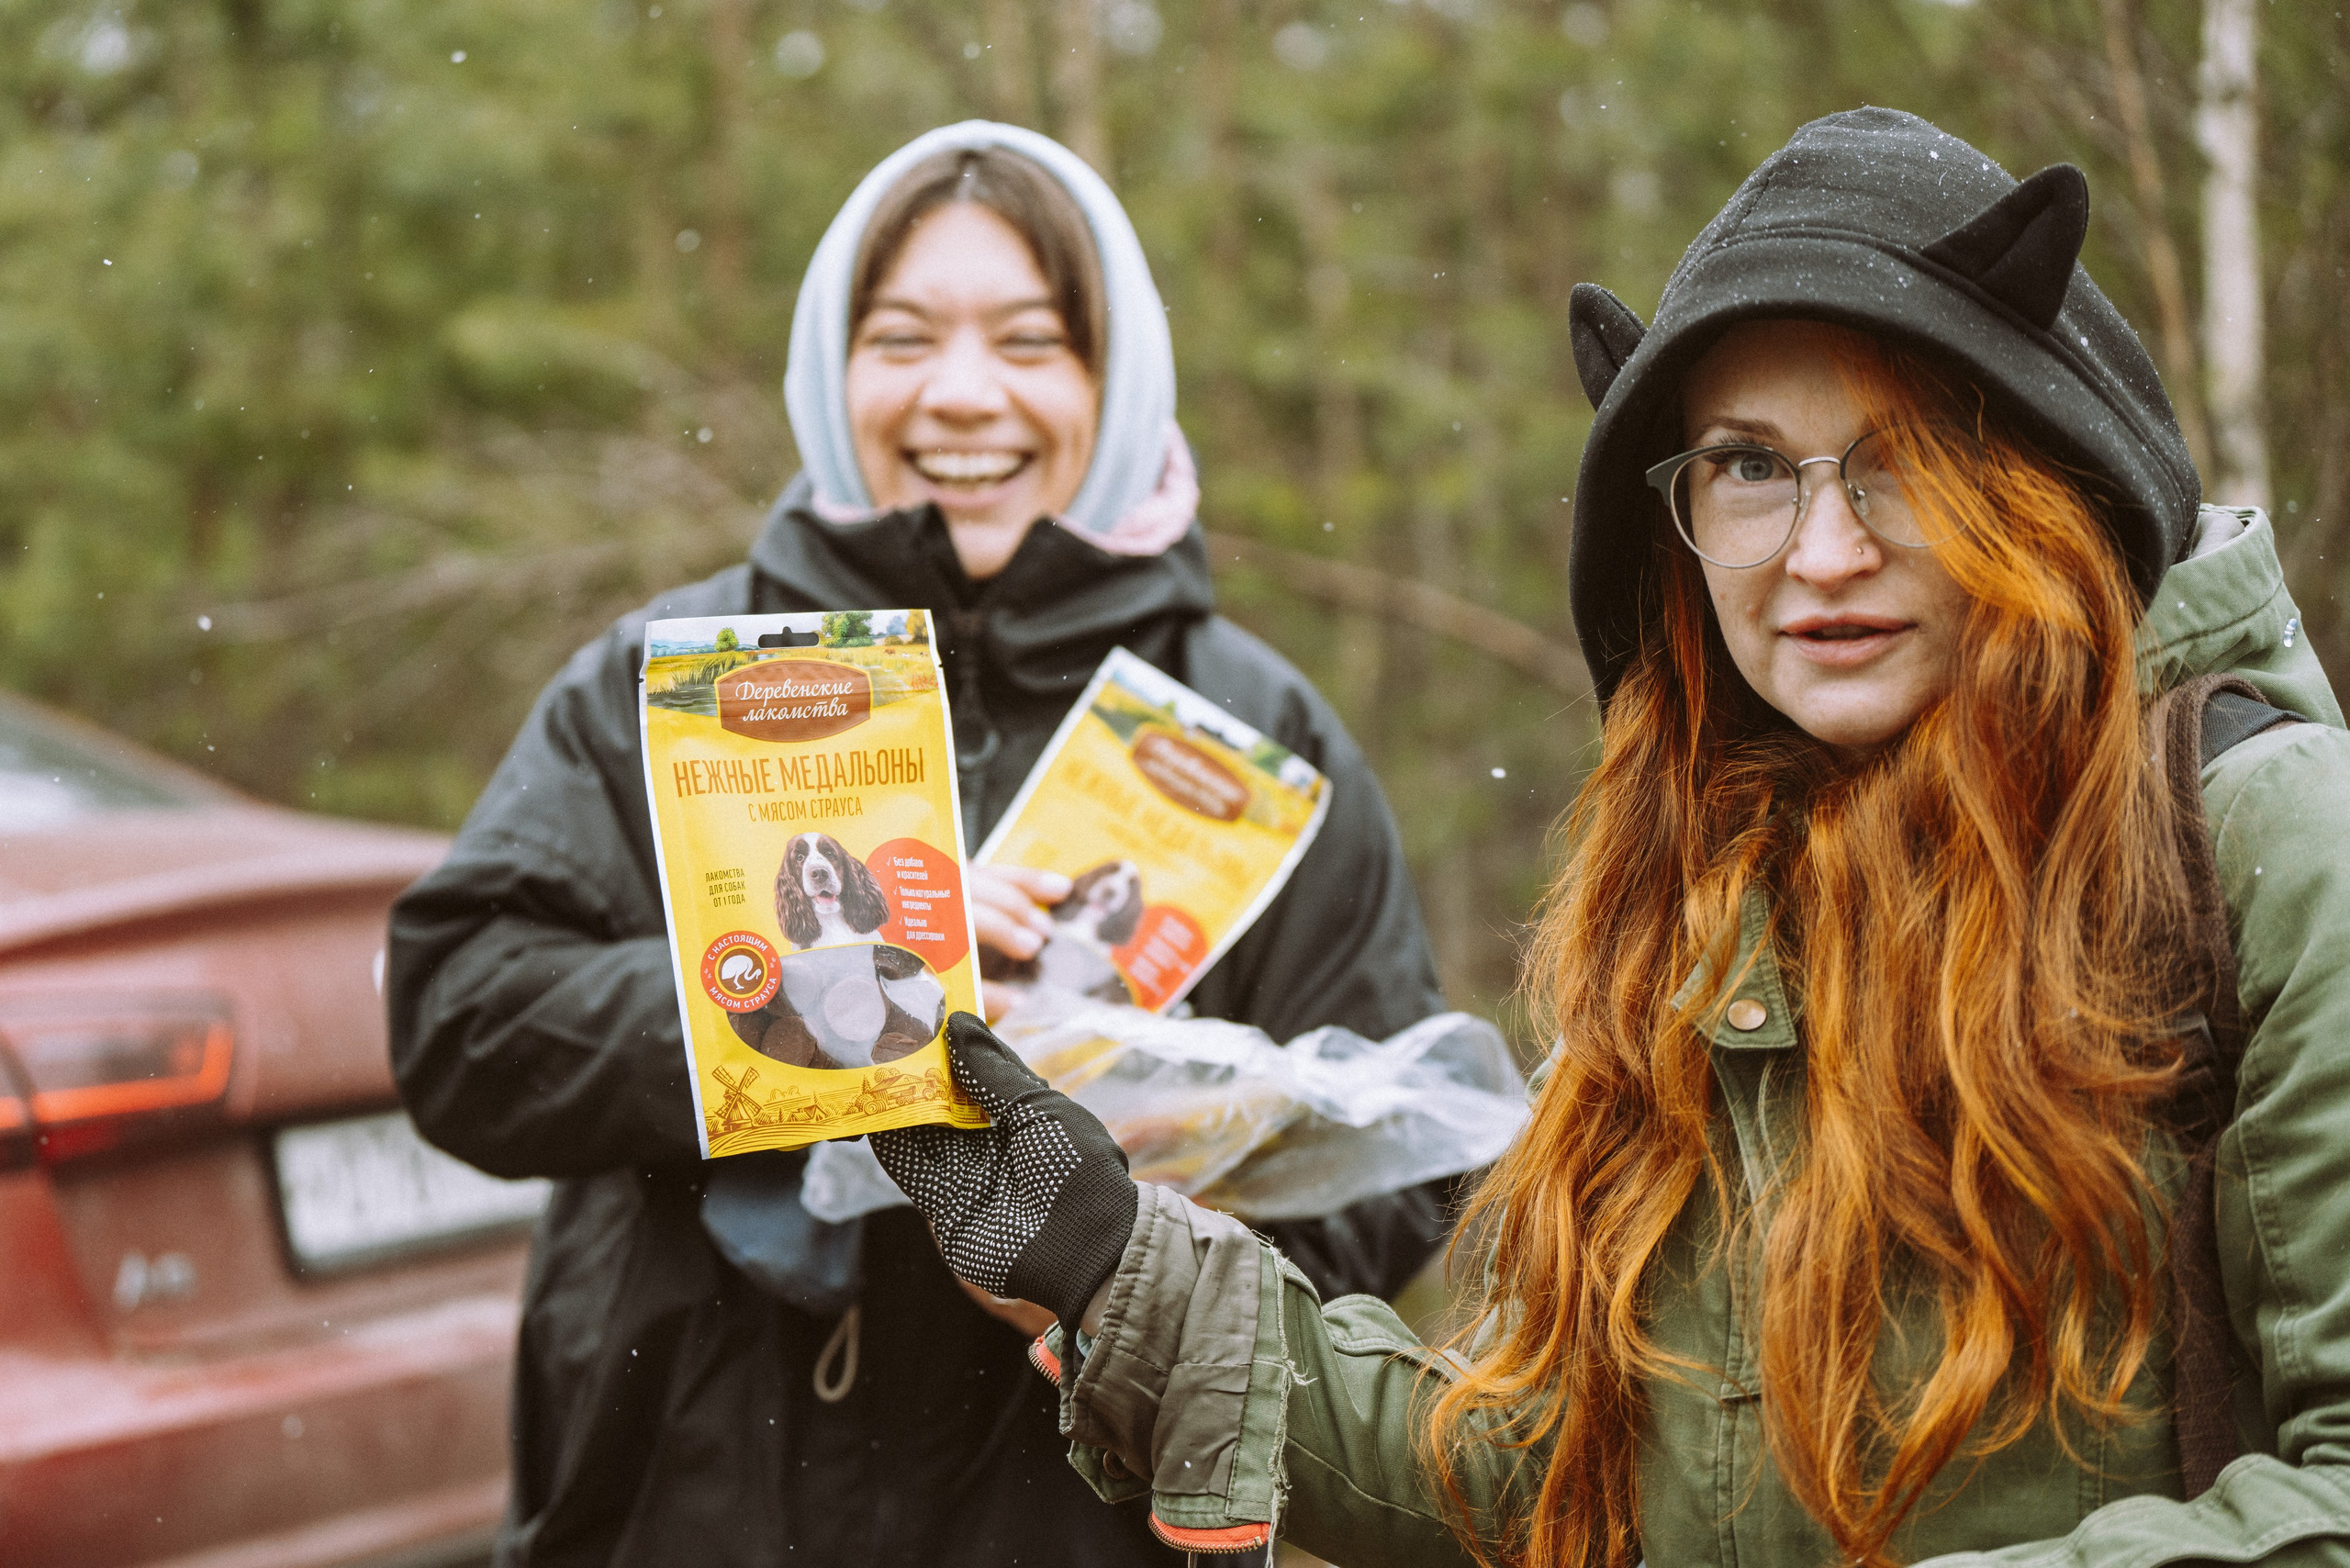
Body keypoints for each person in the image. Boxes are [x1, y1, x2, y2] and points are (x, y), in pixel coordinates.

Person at [868, 107, 2350, 1567]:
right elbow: (1539, 1482)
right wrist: (1112, 1266)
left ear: (2041, 474)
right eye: (1751, 467)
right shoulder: (1698, 909)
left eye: (1902, 460)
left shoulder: (2267, 841)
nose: (1822, 553)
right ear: (1674, 520)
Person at [386, 121, 1455, 1568]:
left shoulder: (1252, 731)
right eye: (902, 338)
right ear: (832, 372)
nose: (964, 394)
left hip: (1065, 1521)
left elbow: (1387, 1178)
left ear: (1116, 378)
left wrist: (1136, 1217)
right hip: (687, 1500)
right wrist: (816, 1014)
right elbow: (460, 1027)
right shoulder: (674, 678)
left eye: (1032, 341)